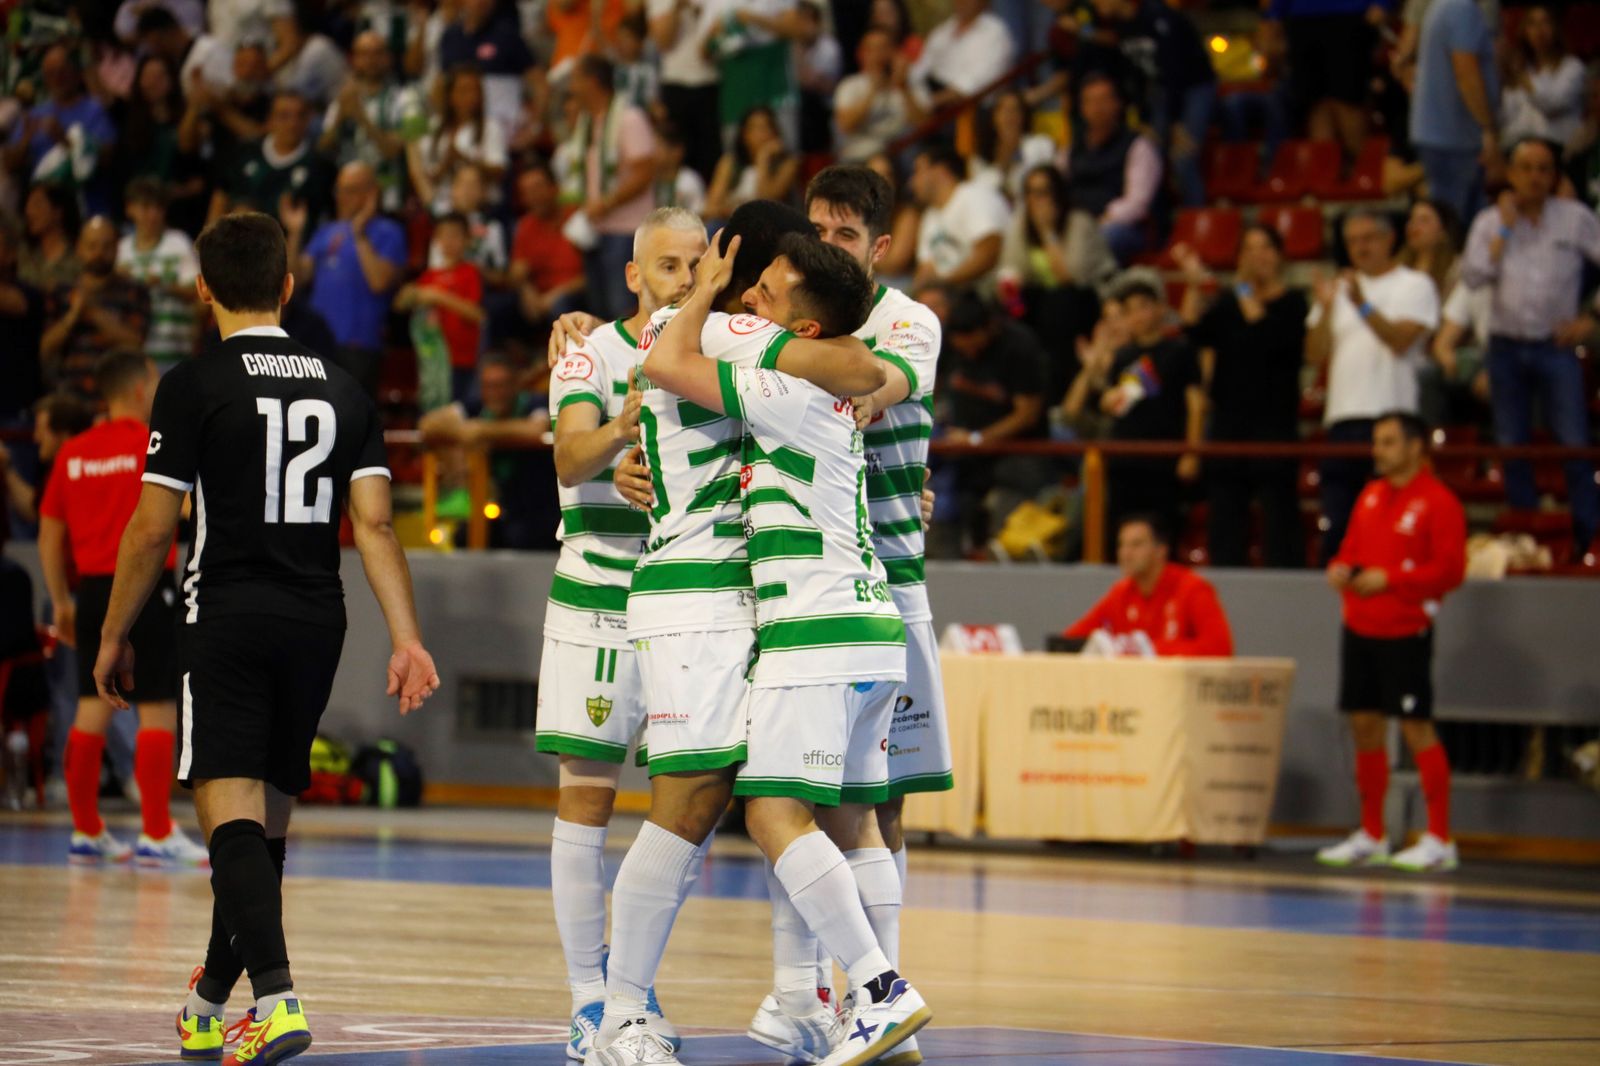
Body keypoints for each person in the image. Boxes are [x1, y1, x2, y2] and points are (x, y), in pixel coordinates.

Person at [91, 211, 439, 1063]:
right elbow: (375, 526)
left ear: (202, 289)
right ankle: (209, 1002)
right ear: (286, 286)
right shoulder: (346, 387)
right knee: (260, 828)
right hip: (319, 620)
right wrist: (408, 638)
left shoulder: (192, 382)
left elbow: (151, 527)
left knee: (229, 815)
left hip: (228, 615)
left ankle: (278, 1002)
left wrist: (112, 632)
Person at [615, 224, 929, 1066]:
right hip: (863, 625)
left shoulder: (775, 380)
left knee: (769, 813)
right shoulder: (802, 372)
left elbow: (669, 362)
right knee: (848, 819)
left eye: (767, 288)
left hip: (809, 628)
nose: (746, 290)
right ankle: (851, 1002)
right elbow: (863, 369)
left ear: (804, 326)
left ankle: (878, 992)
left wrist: (701, 296)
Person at [536, 207, 706, 1059]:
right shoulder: (589, 353)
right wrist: (622, 427)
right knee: (587, 797)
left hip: (689, 603)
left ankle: (632, 986)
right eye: (669, 266)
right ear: (634, 275)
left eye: (697, 264)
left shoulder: (716, 356)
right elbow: (568, 457)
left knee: (687, 801)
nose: (685, 279)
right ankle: (587, 999)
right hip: (598, 595)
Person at [800, 164, 948, 1066]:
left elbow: (884, 381)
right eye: (817, 230)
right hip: (807, 586)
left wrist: (853, 388)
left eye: (846, 235)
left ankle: (879, 995)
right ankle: (823, 992)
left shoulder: (908, 320)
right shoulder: (785, 313)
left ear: (880, 247)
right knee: (802, 794)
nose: (828, 247)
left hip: (890, 584)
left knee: (881, 801)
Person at [38, 349, 206, 864]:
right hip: (145, 587)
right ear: (138, 388)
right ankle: (156, 831)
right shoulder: (150, 444)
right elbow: (184, 508)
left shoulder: (74, 452)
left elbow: (49, 531)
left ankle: (87, 830)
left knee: (90, 708)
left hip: (91, 593)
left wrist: (61, 601)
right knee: (158, 708)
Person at [1318, 412, 1466, 873]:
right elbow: (1350, 550)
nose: (1377, 451)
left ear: (1415, 447)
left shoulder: (1439, 502)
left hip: (1405, 629)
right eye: (1376, 442)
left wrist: (1393, 580)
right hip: (1360, 626)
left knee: (1415, 727)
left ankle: (1439, 838)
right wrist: (1340, 569)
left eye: (1387, 442)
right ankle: (1372, 833)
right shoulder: (1370, 495)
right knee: (1364, 726)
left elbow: (1450, 571)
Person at [1460, 138, 1600, 554]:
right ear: (1511, 173)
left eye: (1543, 169)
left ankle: (1589, 537)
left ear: (1554, 176)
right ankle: (1528, 536)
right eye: (1526, 167)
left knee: (1575, 442)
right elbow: (1472, 277)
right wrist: (1504, 229)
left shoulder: (1575, 218)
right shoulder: (1489, 221)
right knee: (1512, 446)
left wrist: (1593, 318)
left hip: (1555, 346)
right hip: (1505, 347)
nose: (1535, 177)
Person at [1307, 210, 1440, 563]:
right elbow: (1314, 353)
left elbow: (1400, 340)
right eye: (1352, 241)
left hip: (1392, 416)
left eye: (1368, 239)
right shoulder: (1338, 290)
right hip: (1341, 419)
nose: (1360, 248)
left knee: (1391, 524)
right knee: (1339, 523)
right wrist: (1325, 309)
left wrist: (1361, 304)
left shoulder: (1414, 285)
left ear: (1389, 239)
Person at [1176, 226, 1307, 568]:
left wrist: (1243, 288)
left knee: (1279, 518)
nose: (1256, 257)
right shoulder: (1228, 305)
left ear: (1279, 256)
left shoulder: (1293, 304)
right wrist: (1193, 285)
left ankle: (1283, 586)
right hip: (1229, 425)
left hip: (1274, 426)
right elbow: (1193, 331)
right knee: (1224, 519)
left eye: (1264, 248)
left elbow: (1266, 334)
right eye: (1248, 249)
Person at [1074, 272, 1204, 543]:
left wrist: (1191, 452)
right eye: (1130, 311)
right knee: (1121, 529)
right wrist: (1106, 397)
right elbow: (1109, 402)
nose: (1138, 317)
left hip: (1164, 458)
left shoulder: (1179, 350)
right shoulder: (1122, 357)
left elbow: (1195, 403)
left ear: (1161, 308)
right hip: (1125, 459)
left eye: (1144, 307)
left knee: (1162, 533)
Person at [285, 161, 407, 396]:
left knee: (351, 413)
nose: (341, 197)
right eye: (339, 190)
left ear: (371, 194)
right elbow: (296, 281)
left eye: (349, 190)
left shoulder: (389, 231)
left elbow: (379, 282)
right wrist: (295, 233)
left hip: (358, 345)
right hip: (316, 343)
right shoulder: (327, 231)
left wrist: (359, 234)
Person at [944, 293, 1052, 551]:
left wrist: (977, 439)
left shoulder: (1019, 346)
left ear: (987, 328)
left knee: (1004, 511)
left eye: (971, 343)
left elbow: (1027, 414)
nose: (967, 351)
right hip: (964, 455)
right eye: (961, 346)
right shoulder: (948, 344)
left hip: (1019, 454)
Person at [417, 352, 558, 549]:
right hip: (498, 509)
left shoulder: (535, 403)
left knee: (521, 536)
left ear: (515, 385)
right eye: (488, 386)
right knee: (464, 536)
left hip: (539, 511)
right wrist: (464, 434)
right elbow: (428, 424)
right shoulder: (477, 407)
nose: (494, 393)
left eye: (500, 385)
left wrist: (483, 431)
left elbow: (537, 429)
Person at [999, 163, 1116, 392]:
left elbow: (1070, 277)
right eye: (1030, 192)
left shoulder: (1078, 222)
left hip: (1086, 300)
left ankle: (1059, 386)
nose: (1036, 200)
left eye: (1043, 192)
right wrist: (1010, 291)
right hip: (1045, 303)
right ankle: (1022, 386)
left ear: (1058, 194)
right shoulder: (1022, 225)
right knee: (1012, 308)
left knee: (1060, 302)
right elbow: (1011, 270)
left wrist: (1047, 232)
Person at [1063, 513, 1234, 656]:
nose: (1125, 554)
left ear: (1161, 550)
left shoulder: (1193, 588)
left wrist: (1152, 649)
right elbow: (1071, 639)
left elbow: (1220, 648)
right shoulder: (1121, 592)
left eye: (1136, 544)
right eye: (1121, 545)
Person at [569, 55, 660, 321]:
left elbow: (645, 172)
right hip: (596, 230)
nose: (571, 88)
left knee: (623, 312)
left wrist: (608, 202)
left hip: (626, 232)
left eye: (575, 80)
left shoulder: (629, 118)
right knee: (600, 313)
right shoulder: (589, 122)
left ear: (592, 82)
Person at [42, 218, 151, 400]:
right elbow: (46, 347)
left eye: (107, 246)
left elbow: (135, 342)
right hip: (69, 396)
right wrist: (74, 314)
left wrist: (92, 312)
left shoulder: (134, 291)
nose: (99, 252)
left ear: (117, 248)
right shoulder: (61, 292)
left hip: (117, 398)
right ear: (79, 248)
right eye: (92, 246)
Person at [317, 29, 424, 215]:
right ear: (354, 59)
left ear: (388, 58)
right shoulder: (343, 99)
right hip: (347, 198)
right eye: (364, 54)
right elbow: (323, 148)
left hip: (389, 198)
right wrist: (340, 116)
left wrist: (362, 118)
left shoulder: (408, 98)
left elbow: (394, 151)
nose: (371, 60)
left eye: (377, 53)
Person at [3, 43, 118, 214]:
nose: (57, 78)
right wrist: (25, 141)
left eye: (62, 71)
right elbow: (9, 164)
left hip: (86, 205)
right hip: (42, 209)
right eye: (51, 73)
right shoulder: (35, 114)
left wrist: (64, 139)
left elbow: (107, 157)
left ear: (75, 74)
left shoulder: (94, 109)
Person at [1411, 0, 1499, 222]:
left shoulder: (1444, 5)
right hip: (1454, 139)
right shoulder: (1461, 8)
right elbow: (1466, 72)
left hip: (1444, 136)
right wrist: (1487, 128)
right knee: (1454, 225)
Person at [1061, 74, 1163, 264]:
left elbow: (1137, 203)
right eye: (1091, 101)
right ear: (1082, 108)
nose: (1097, 108)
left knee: (1104, 237)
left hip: (1122, 227)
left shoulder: (1138, 146)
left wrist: (1100, 222)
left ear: (1117, 104)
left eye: (1103, 100)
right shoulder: (1072, 149)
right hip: (1078, 224)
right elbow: (1056, 188)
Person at [1266, 0, 1382, 159]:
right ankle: (1325, 167)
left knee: (1349, 99)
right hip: (1301, 18)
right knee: (1314, 102)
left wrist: (1384, 3)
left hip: (1350, 16)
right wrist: (1276, 11)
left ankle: (1360, 165)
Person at [211, 90, 334, 230]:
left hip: (289, 241)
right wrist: (210, 237)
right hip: (236, 238)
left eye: (300, 115)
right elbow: (221, 197)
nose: (293, 123)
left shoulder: (320, 166)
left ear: (308, 120)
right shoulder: (246, 152)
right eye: (284, 116)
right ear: (270, 119)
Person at [398, 212, 485, 406]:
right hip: (433, 361)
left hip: (462, 360)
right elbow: (401, 303)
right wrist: (411, 294)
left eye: (455, 235)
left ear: (467, 240)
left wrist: (438, 297)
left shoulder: (470, 273)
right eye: (444, 235)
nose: (449, 241)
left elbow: (478, 315)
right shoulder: (429, 277)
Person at [117, 179, 200, 373]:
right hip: (136, 358)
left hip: (177, 355)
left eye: (158, 208)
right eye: (146, 207)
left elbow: (198, 291)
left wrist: (163, 285)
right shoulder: (121, 250)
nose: (153, 214)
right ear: (130, 209)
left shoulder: (179, 243)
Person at [407, 66, 509, 216]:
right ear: (450, 95)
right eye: (463, 90)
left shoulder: (490, 127)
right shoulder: (434, 128)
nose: (470, 96)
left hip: (483, 208)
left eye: (475, 90)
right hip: (442, 208)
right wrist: (446, 164)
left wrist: (464, 159)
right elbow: (427, 179)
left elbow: (499, 171)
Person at [910, 141, 1009, 290]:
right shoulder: (930, 216)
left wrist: (946, 282)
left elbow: (990, 252)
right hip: (950, 293)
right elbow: (926, 268)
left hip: (989, 289)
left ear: (941, 170)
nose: (912, 182)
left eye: (918, 171)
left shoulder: (973, 195)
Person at [508, 162, 588, 342]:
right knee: (502, 306)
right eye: (526, 192)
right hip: (539, 298)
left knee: (562, 305)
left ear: (555, 188)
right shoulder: (525, 226)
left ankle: (572, 355)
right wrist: (526, 288)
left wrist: (553, 296)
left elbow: (593, 275)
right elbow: (516, 273)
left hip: (575, 294)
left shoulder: (576, 217)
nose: (533, 196)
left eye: (538, 188)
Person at [648, 0, 721, 181]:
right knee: (675, 159)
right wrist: (677, 7)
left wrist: (701, 13)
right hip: (675, 82)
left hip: (711, 80)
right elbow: (662, 42)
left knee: (710, 159)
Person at [1498, 4, 1585, 150]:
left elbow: (1553, 105)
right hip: (1520, 147)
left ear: (1556, 28)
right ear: (1525, 31)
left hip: (1558, 148)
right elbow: (1506, 116)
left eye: (1545, 22)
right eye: (1532, 23)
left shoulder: (1572, 67)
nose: (1539, 30)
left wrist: (1524, 79)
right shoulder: (1523, 69)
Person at [832, 27, 925, 164]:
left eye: (884, 48)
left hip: (901, 150)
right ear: (862, 54)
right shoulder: (850, 85)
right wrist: (872, 91)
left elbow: (923, 124)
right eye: (873, 49)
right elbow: (846, 125)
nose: (879, 54)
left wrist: (904, 88)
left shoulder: (909, 83)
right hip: (861, 155)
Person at [908, 0, 1016, 111]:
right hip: (928, 103)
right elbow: (917, 73)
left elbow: (976, 86)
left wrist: (930, 103)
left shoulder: (995, 32)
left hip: (974, 109)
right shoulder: (941, 32)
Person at [706, 106, 801, 221]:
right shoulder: (730, 163)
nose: (762, 134)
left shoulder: (787, 164)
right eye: (756, 128)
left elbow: (767, 203)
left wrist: (763, 159)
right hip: (729, 222)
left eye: (766, 127)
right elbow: (710, 208)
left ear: (775, 132)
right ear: (744, 135)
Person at [969, 90, 1058, 202]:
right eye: (1004, 110)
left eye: (1015, 109)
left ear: (1023, 116)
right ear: (994, 116)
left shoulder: (1040, 145)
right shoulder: (979, 158)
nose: (1009, 115)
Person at [18, 182, 82, 292]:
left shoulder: (79, 253)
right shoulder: (24, 253)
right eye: (28, 205)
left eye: (37, 205)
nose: (29, 212)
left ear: (58, 212)